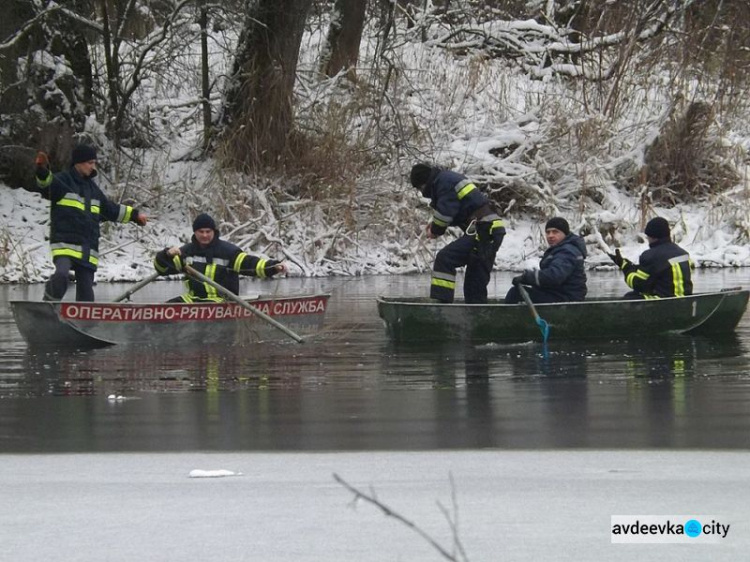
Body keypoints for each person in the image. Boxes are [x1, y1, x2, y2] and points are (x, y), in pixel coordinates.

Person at [34, 144, 148, 302]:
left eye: (94, 162)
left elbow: (111, 210)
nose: (93, 166)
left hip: (88, 248)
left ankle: (86, 324)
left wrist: (135, 215)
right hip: (65, 245)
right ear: (78, 163)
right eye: (90, 162)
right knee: (61, 275)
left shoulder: (93, 190)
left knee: (86, 292)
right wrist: (41, 169)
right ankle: (47, 305)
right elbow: (46, 184)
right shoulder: (62, 180)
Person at [410, 163, 506, 304]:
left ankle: (441, 307)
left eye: (420, 188)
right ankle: (477, 315)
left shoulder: (444, 182)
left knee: (445, 259)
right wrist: (436, 224)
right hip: (487, 230)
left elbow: (445, 214)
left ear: (423, 183)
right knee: (474, 284)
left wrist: (435, 230)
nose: (421, 192)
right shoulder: (447, 179)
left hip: (485, 230)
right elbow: (458, 211)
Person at [154, 213, 287, 302]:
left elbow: (251, 265)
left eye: (208, 231)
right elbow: (162, 269)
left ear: (214, 232)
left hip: (223, 303)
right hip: (193, 301)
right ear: (195, 232)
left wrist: (274, 267)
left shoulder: (228, 251)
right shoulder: (186, 252)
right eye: (201, 232)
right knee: (162, 311)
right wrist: (166, 255)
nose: (205, 235)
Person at [504, 217, 587, 304]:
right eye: (548, 232)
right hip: (558, 294)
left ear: (565, 234)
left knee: (515, 293)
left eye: (555, 232)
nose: (550, 235)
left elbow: (554, 277)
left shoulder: (567, 251)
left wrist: (527, 278)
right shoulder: (560, 249)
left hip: (565, 298)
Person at [608, 216, 692, 299]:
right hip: (686, 301)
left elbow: (638, 284)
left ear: (652, 236)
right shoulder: (683, 254)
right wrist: (631, 266)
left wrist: (625, 267)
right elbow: (660, 270)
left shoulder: (651, 255)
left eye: (648, 236)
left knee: (630, 297)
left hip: (664, 304)